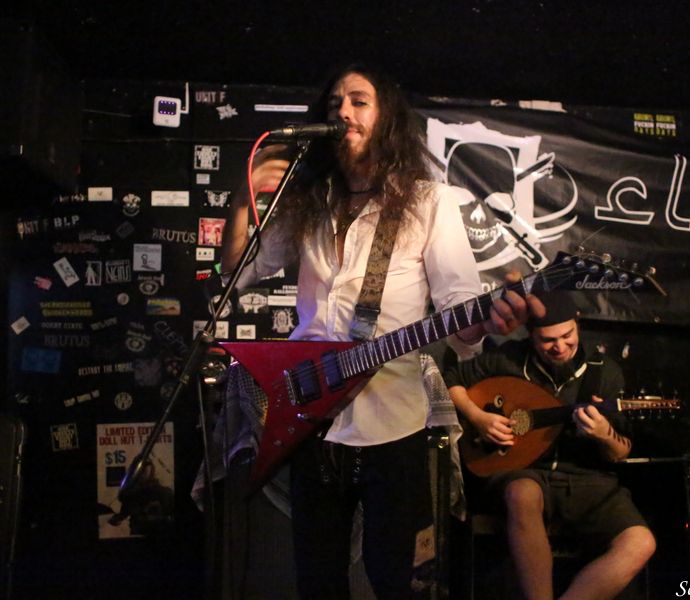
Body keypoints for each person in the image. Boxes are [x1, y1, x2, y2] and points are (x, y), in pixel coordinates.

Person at [220, 63, 543, 599]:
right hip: (308, 418)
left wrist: (489, 318)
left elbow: (460, 311)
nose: (343, 112)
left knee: (397, 581)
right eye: (334, 104)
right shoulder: (310, 201)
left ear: (387, 116)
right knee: (317, 581)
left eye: (358, 101)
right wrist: (241, 197)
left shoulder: (429, 201)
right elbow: (237, 271)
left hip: (392, 426)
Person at [443, 292, 656, 600]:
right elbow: (451, 379)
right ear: (531, 335)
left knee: (641, 542)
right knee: (522, 493)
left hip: (587, 481)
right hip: (524, 471)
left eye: (567, 336)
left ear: (578, 325)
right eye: (548, 340)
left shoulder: (604, 371)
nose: (560, 346)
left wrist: (604, 434)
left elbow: (621, 452)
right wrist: (479, 419)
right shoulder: (509, 358)